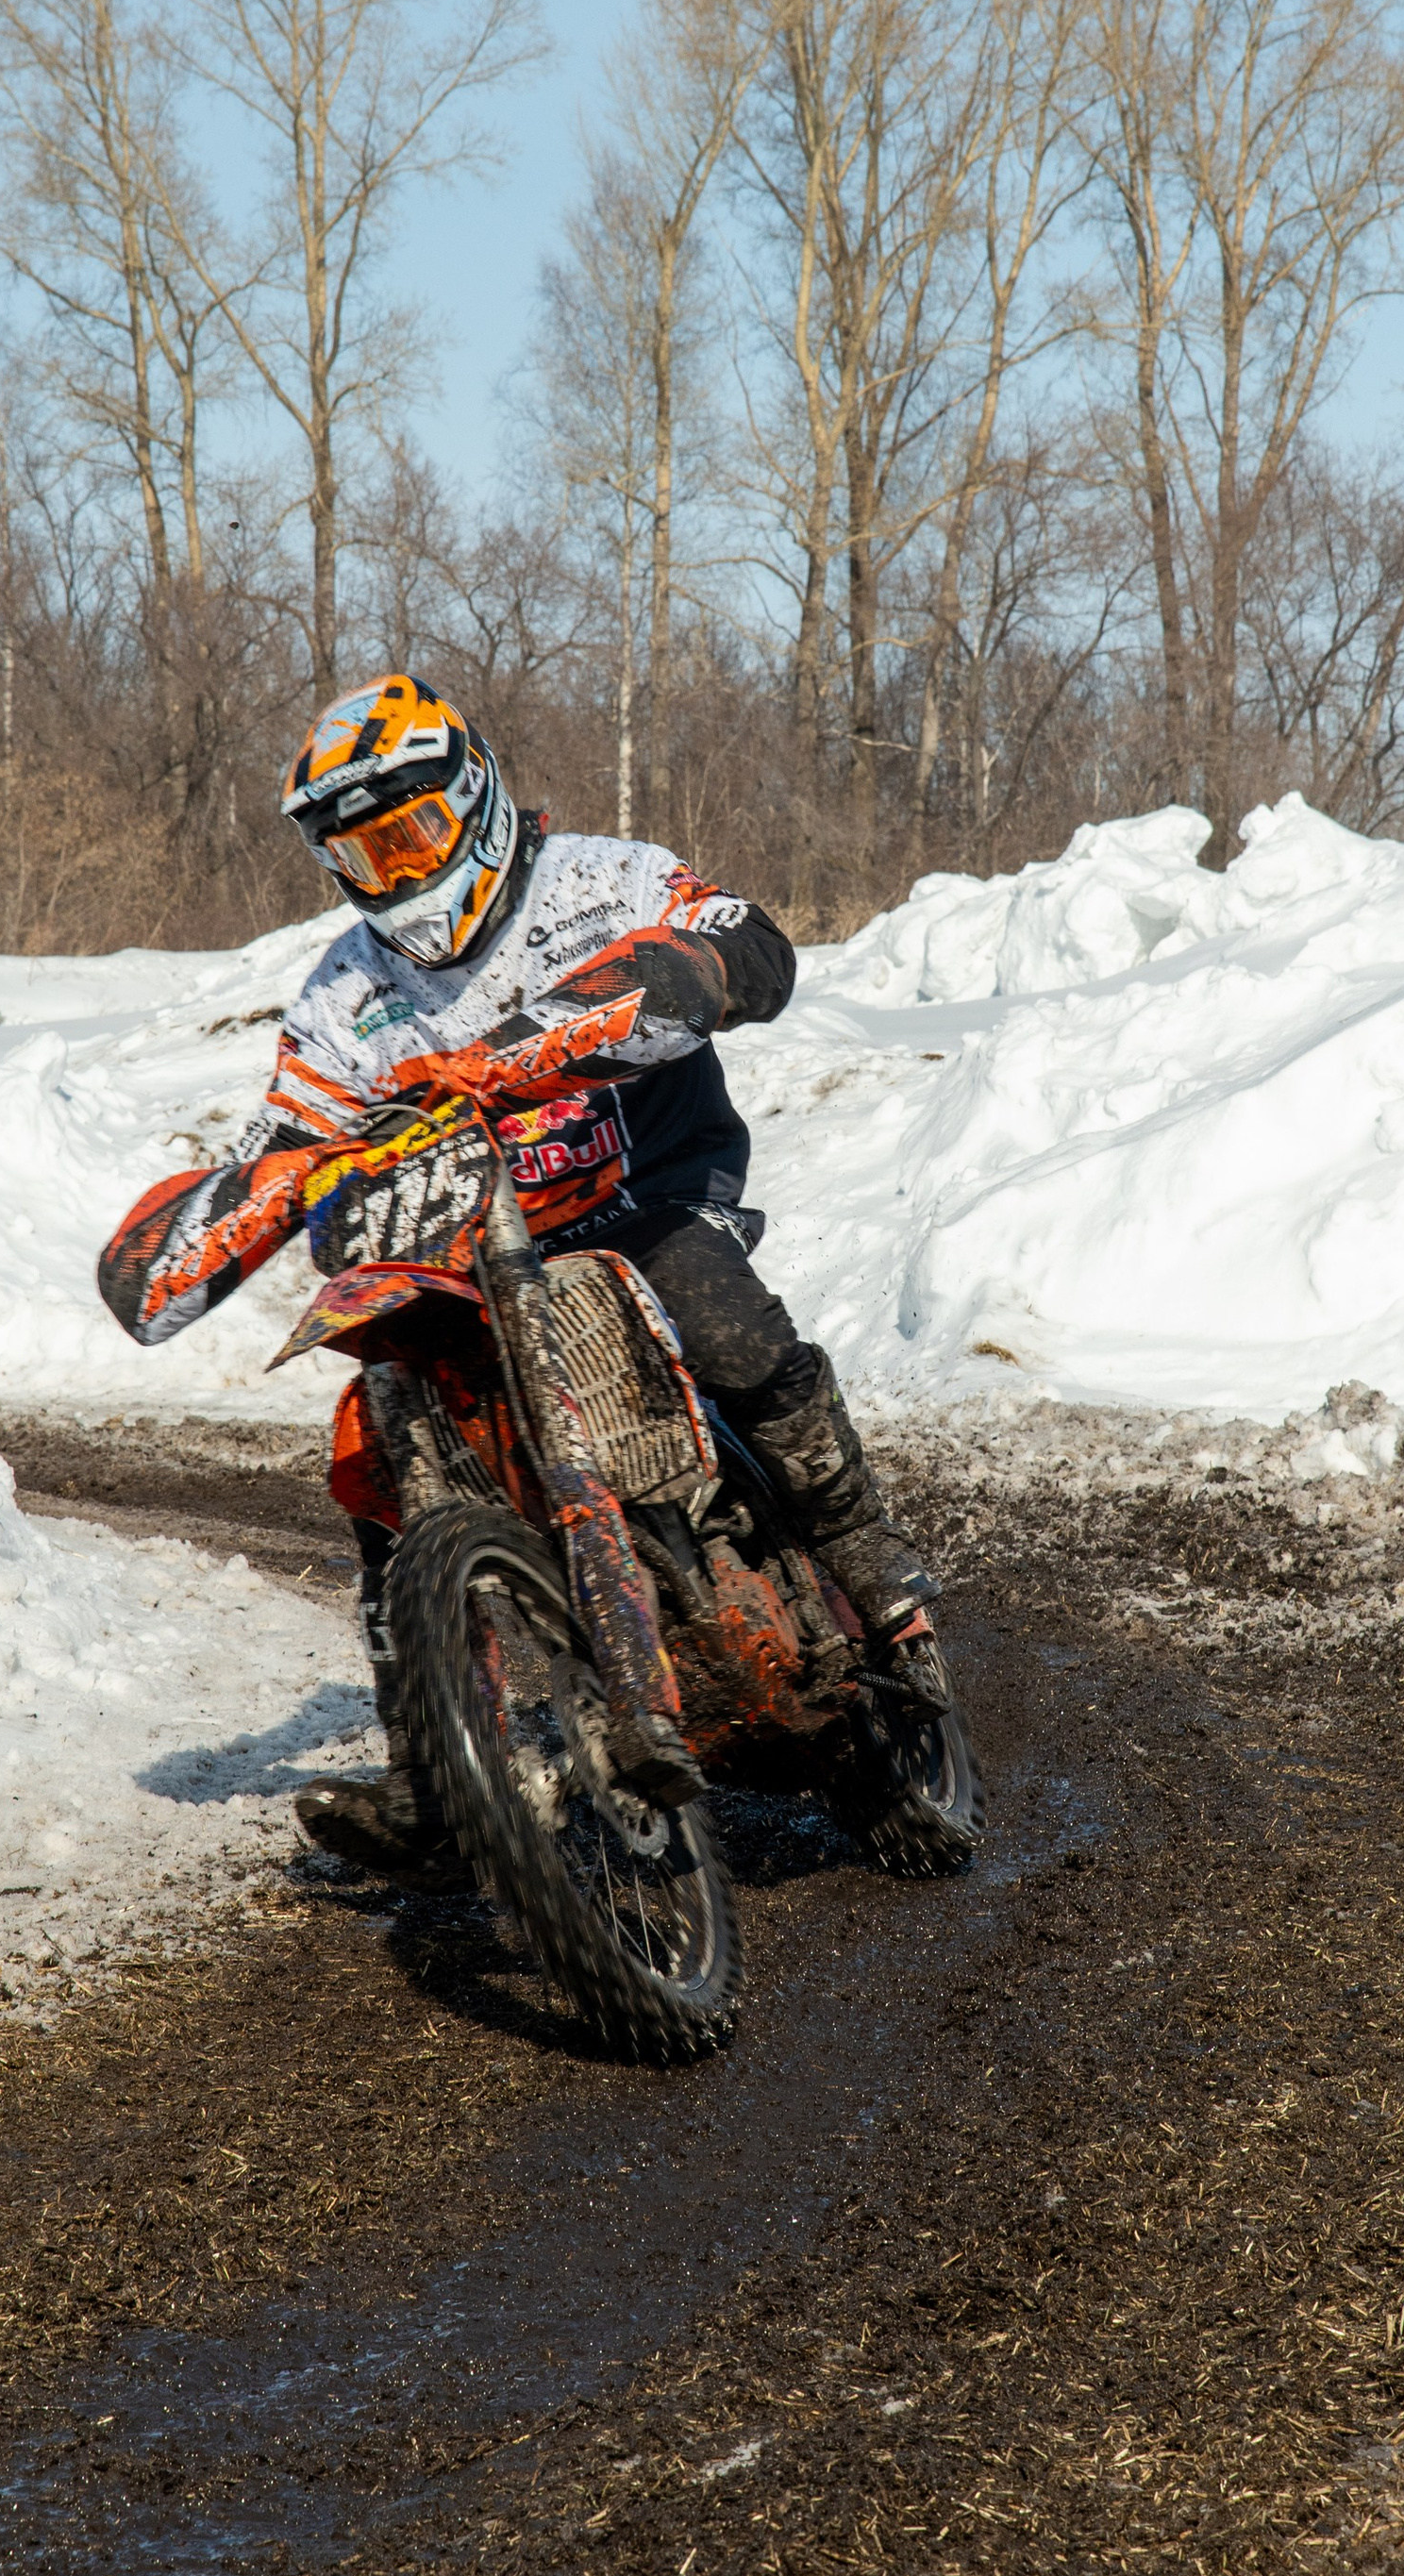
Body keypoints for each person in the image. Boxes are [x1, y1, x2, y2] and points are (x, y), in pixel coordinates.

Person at [96, 674, 934, 1882]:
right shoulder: (345, 995)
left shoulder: (603, 879)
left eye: (412, 834)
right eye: (360, 851)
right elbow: (289, 1130)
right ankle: (439, 1770)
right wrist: (262, 1190)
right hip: (465, 1248)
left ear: (474, 797)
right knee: (386, 1433)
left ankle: (868, 1558)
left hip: (644, 1191)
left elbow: (747, 948)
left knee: (717, 1316)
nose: (392, 870)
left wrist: (619, 1000)